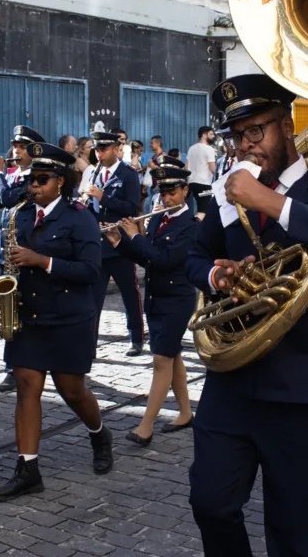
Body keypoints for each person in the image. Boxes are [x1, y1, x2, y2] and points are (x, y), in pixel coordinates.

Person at [186, 74, 308, 557]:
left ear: (288, 126)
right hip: (232, 382)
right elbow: (192, 254)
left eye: (259, 131)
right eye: (239, 135)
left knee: (294, 534)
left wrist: (271, 202)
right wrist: (218, 277)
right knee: (210, 502)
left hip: (303, 388)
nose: (248, 145)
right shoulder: (230, 191)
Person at [0, 143, 113, 500]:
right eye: (32, 180)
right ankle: (28, 468)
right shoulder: (21, 215)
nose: (34, 186)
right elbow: (13, 262)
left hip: (69, 317)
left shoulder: (81, 217)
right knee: (27, 385)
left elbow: (91, 271)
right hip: (29, 315)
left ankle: (98, 432)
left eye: (42, 180)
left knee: (72, 390)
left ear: (60, 182)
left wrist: (41, 261)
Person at [108, 163, 197, 446]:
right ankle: (185, 413)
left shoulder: (192, 227)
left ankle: (145, 426)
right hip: (156, 297)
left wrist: (135, 235)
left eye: (172, 192)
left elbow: (165, 260)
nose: (166, 198)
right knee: (173, 356)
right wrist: (120, 243)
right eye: (163, 192)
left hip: (177, 300)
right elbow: (147, 258)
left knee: (161, 360)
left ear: (185, 191)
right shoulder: (159, 219)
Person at [0, 125, 43, 393]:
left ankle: (17, 366)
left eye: (22, 147)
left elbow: (9, 200)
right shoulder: (14, 176)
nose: (15, 151)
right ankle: (13, 366)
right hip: (4, 251)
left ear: (33, 152)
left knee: (21, 309)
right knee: (8, 309)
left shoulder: (34, 180)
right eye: (15, 146)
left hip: (22, 251)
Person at [85, 131, 146, 355]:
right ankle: (90, 345)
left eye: (103, 150)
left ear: (115, 149)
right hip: (98, 245)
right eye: (97, 150)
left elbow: (132, 208)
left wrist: (104, 198)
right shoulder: (94, 173)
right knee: (94, 297)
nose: (99, 154)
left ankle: (136, 338)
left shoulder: (128, 174)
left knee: (129, 293)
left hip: (120, 244)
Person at [186, 126, 217, 213]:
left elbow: (186, 167)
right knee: (204, 211)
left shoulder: (191, 148)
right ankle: (200, 226)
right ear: (204, 135)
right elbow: (212, 169)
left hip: (191, 184)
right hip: (204, 184)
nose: (213, 136)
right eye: (211, 134)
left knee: (192, 210)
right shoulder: (209, 149)